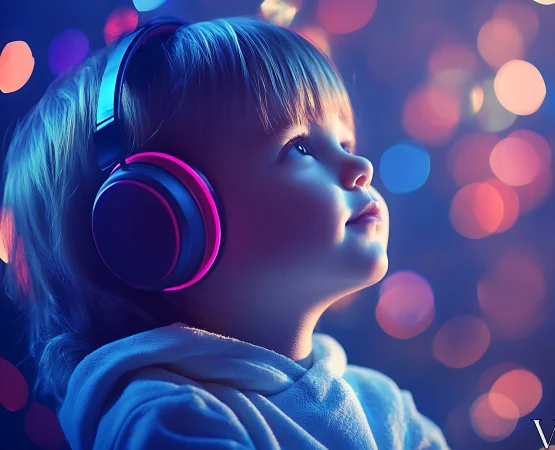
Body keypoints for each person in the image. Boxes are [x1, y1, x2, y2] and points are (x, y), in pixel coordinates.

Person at [1, 15, 449, 449]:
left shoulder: (384, 404)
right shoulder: (173, 419)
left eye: (345, 143)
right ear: (161, 221)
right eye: (300, 147)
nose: (360, 168)